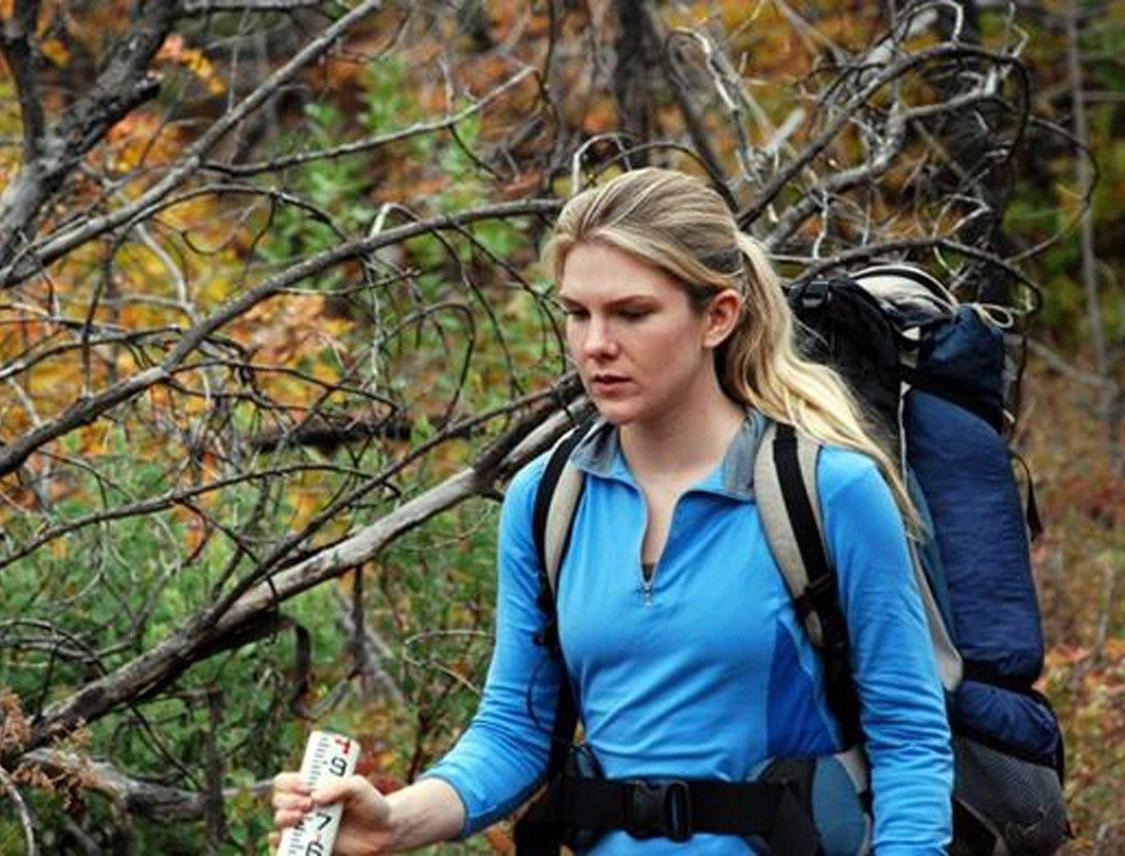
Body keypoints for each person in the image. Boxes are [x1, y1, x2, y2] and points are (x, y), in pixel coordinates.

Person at [270, 167, 953, 854]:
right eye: (577, 313)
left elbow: (910, 740)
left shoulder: (827, 489)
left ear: (717, 316)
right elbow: (514, 732)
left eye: (631, 313)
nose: (596, 344)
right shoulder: (546, 498)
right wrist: (392, 820)